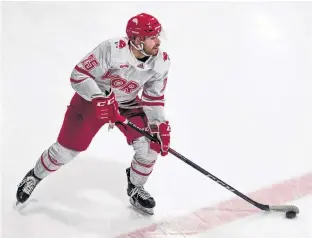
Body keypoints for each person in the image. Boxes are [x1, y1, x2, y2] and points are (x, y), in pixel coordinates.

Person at [16, 13, 171, 215]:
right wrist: (99, 97)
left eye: (158, 36)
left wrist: (158, 125)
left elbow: (153, 98)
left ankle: (136, 188)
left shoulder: (161, 61)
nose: (158, 42)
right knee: (66, 151)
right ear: (137, 40)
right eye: (152, 37)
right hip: (92, 101)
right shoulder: (111, 49)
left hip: (127, 103)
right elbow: (78, 74)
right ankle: (34, 176)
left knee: (150, 146)